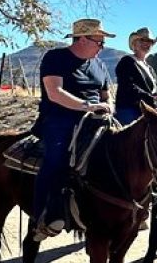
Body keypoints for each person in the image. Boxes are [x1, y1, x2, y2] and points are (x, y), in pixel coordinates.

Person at [32, 18, 114, 240]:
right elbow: (55, 92)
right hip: (61, 118)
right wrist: (88, 106)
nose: (102, 47)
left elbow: (107, 96)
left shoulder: (100, 65)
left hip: (97, 120)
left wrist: (108, 109)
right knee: (56, 160)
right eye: (99, 42)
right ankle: (40, 216)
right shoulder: (55, 58)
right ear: (83, 39)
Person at [114, 27, 157, 124]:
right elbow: (127, 86)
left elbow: (152, 89)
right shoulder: (127, 61)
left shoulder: (150, 68)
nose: (146, 43)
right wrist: (150, 98)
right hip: (129, 110)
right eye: (143, 40)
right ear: (134, 43)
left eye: (149, 41)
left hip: (146, 110)